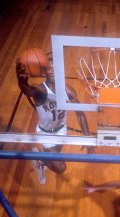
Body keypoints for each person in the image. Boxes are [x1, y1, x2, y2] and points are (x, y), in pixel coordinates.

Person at [16, 50, 94, 184]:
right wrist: (20, 79)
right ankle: (39, 159)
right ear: (44, 71)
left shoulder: (68, 90)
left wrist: (86, 136)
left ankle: (42, 162)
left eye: (54, 68)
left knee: (54, 158)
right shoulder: (40, 90)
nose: (52, 71)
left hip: (61, 130)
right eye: (48, 69)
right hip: (45, 133)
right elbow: (27, 90)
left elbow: (80, 113)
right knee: (61, 167)